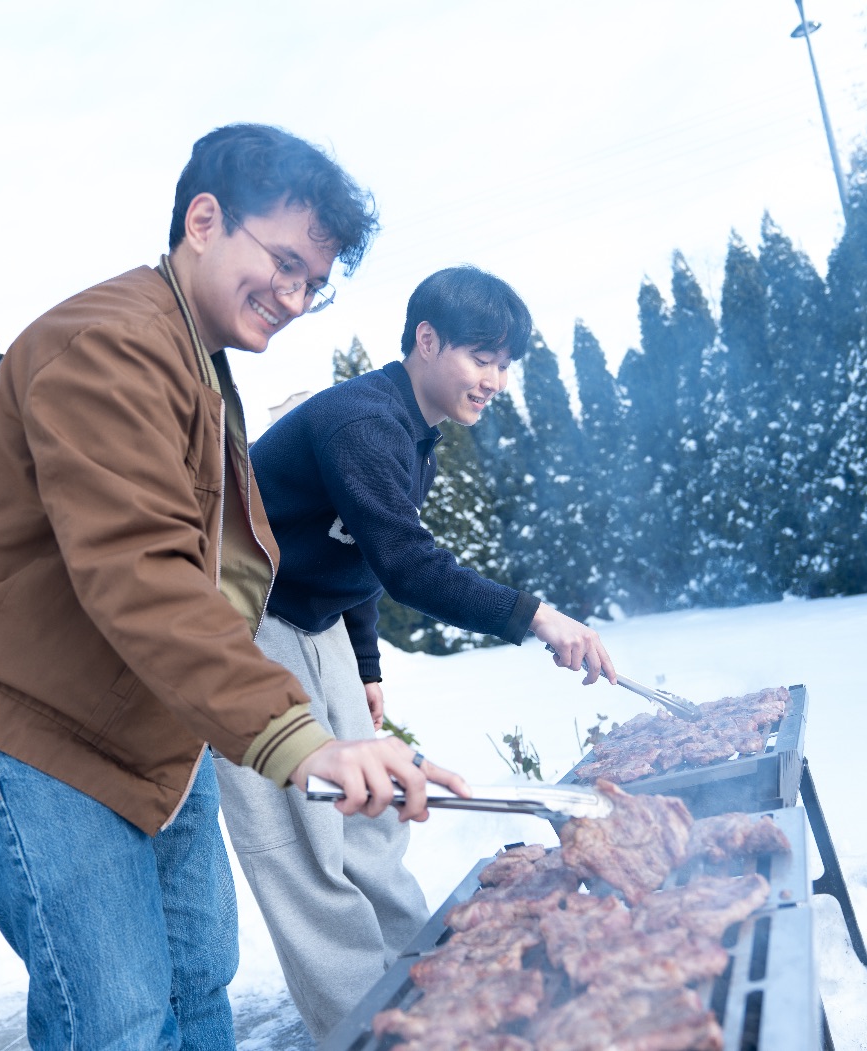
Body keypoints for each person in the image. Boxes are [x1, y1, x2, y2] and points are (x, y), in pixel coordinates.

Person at [0, 124, 469, 1051]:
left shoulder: (197, 358)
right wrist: (294, 736)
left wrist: (344, 735)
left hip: (136, 702)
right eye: (283, 262)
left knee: (200, 978)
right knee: (115, 1015)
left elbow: (220, 581)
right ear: (205, 219)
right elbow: (139, 569)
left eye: (312, 284)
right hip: (22, 709)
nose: (293, 296)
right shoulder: (110, 345)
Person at [216, 264, 617, 1040]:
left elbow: (359, 558)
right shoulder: (363, 422)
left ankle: (429, 993)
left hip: (317, 625)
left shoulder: (411, 433)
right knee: (304, 838)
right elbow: (406, 562)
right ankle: (367, 1029)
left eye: (504, 364)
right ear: (426, 341)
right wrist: (536, 616)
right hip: (247, 626)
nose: (495, 379)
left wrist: (364, 668)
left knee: (373, 816)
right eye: (482, 357)